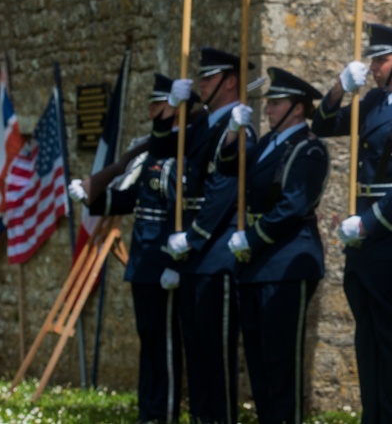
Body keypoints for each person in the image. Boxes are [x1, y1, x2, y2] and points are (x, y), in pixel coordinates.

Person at [311, 24, 392, 424]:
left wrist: (369, 224)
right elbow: (322, 125)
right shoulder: (371, 101)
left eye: (381, 59)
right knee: (367, 339)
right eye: (372, 59)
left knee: (390, 341)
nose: (373, 67)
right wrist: (338, 86)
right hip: (364, 241)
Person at [67, 73, 186, 423]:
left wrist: (176, 263)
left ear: (173, 107)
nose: (150, 109)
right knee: (148, 339)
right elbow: (133, 198)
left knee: (164, 344)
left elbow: (181, 208)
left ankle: (164, 413)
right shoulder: (152, 151)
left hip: (167, 261)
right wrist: (95, 198)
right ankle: (148, 411)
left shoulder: (183, 150)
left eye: (157, 103)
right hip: (144, 261)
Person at [227, 67, 328, 424]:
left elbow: (294, 204)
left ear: (297, 108)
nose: (267, 109)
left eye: (275, 103)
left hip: (287, 261)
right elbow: (228, 168)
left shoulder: (308, 149)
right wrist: (231, 132)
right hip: (256, 261)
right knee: (257, 355)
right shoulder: (267, 144)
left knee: (281, 356)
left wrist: (252, 238)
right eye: (267, 103)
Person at [162, 47, 256, 424]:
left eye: (208, 77)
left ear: (229, 81)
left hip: (215, 253)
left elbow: (225, 189)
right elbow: (162, 150)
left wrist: (194, 237)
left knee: (217, 357)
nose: (200, 83)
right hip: (191, 256)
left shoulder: (237, 127)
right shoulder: (200, 124)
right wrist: (171, 109)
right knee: (197, 355)